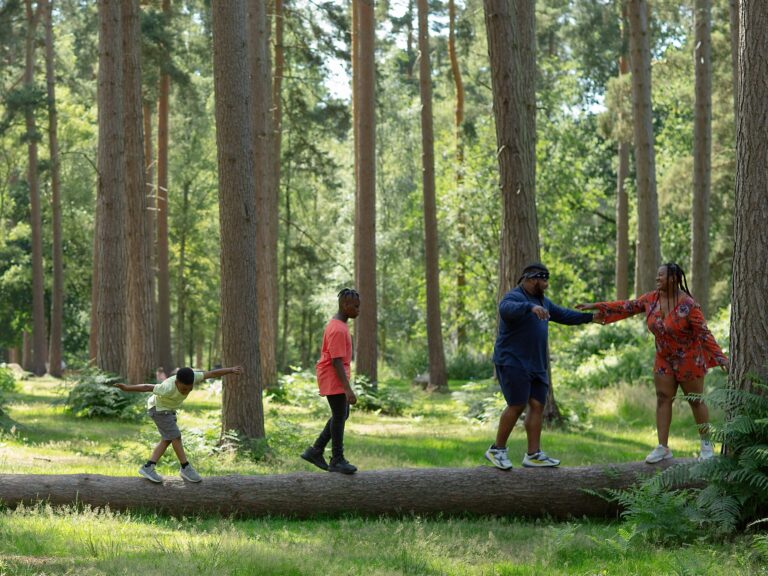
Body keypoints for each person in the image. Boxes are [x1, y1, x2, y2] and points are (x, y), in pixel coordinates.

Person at [577, 262, 728, 463]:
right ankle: (663, 447)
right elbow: (627, 306)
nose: (657, 279)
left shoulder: (688, 305)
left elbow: (704, 333)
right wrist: (598, 306)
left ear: (673, 279)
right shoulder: (651, 299)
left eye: (661, 276)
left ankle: (706, 447)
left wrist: (720, 357)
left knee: (695, 400)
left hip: (689, 358)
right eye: (657, 276)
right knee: (663, 398)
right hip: (663, 358)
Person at [486, 263, 597, 470]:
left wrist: (591, 318)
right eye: (542, 280)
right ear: (529, 279)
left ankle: (533, 454)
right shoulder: (514, 297)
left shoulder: (543, 301)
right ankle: (497, 450)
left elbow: (564, 315)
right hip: (513, 361)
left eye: (547, 280)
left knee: (537, 405)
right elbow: (505, 309)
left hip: (536, 364)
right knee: (517, 404)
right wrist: (529, 307)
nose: (546, 284)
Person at [115, 364, 243, 482]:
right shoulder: (167, 388)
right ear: (177, 382)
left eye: (189, 389)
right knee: (176, 436)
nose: (186, 391)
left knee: (167, 439)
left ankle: (148, 466)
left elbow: (211, 374)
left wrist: (230, 370)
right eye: (183, 389)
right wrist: (127, 388)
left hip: (168, 410)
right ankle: (185, 467)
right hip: (158, 409)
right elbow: (146, 387)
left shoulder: (192, 377)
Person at [300, 288, 360, 474]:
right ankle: (337, 459)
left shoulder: (340, 325)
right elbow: (336, 361)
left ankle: (316, 450)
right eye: (356, 306)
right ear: (345, 305)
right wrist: (347, 389)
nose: (358, 310)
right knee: (340, 416)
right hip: (333, 377)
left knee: (341, 415)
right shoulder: (337, 329)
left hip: (335, 377)